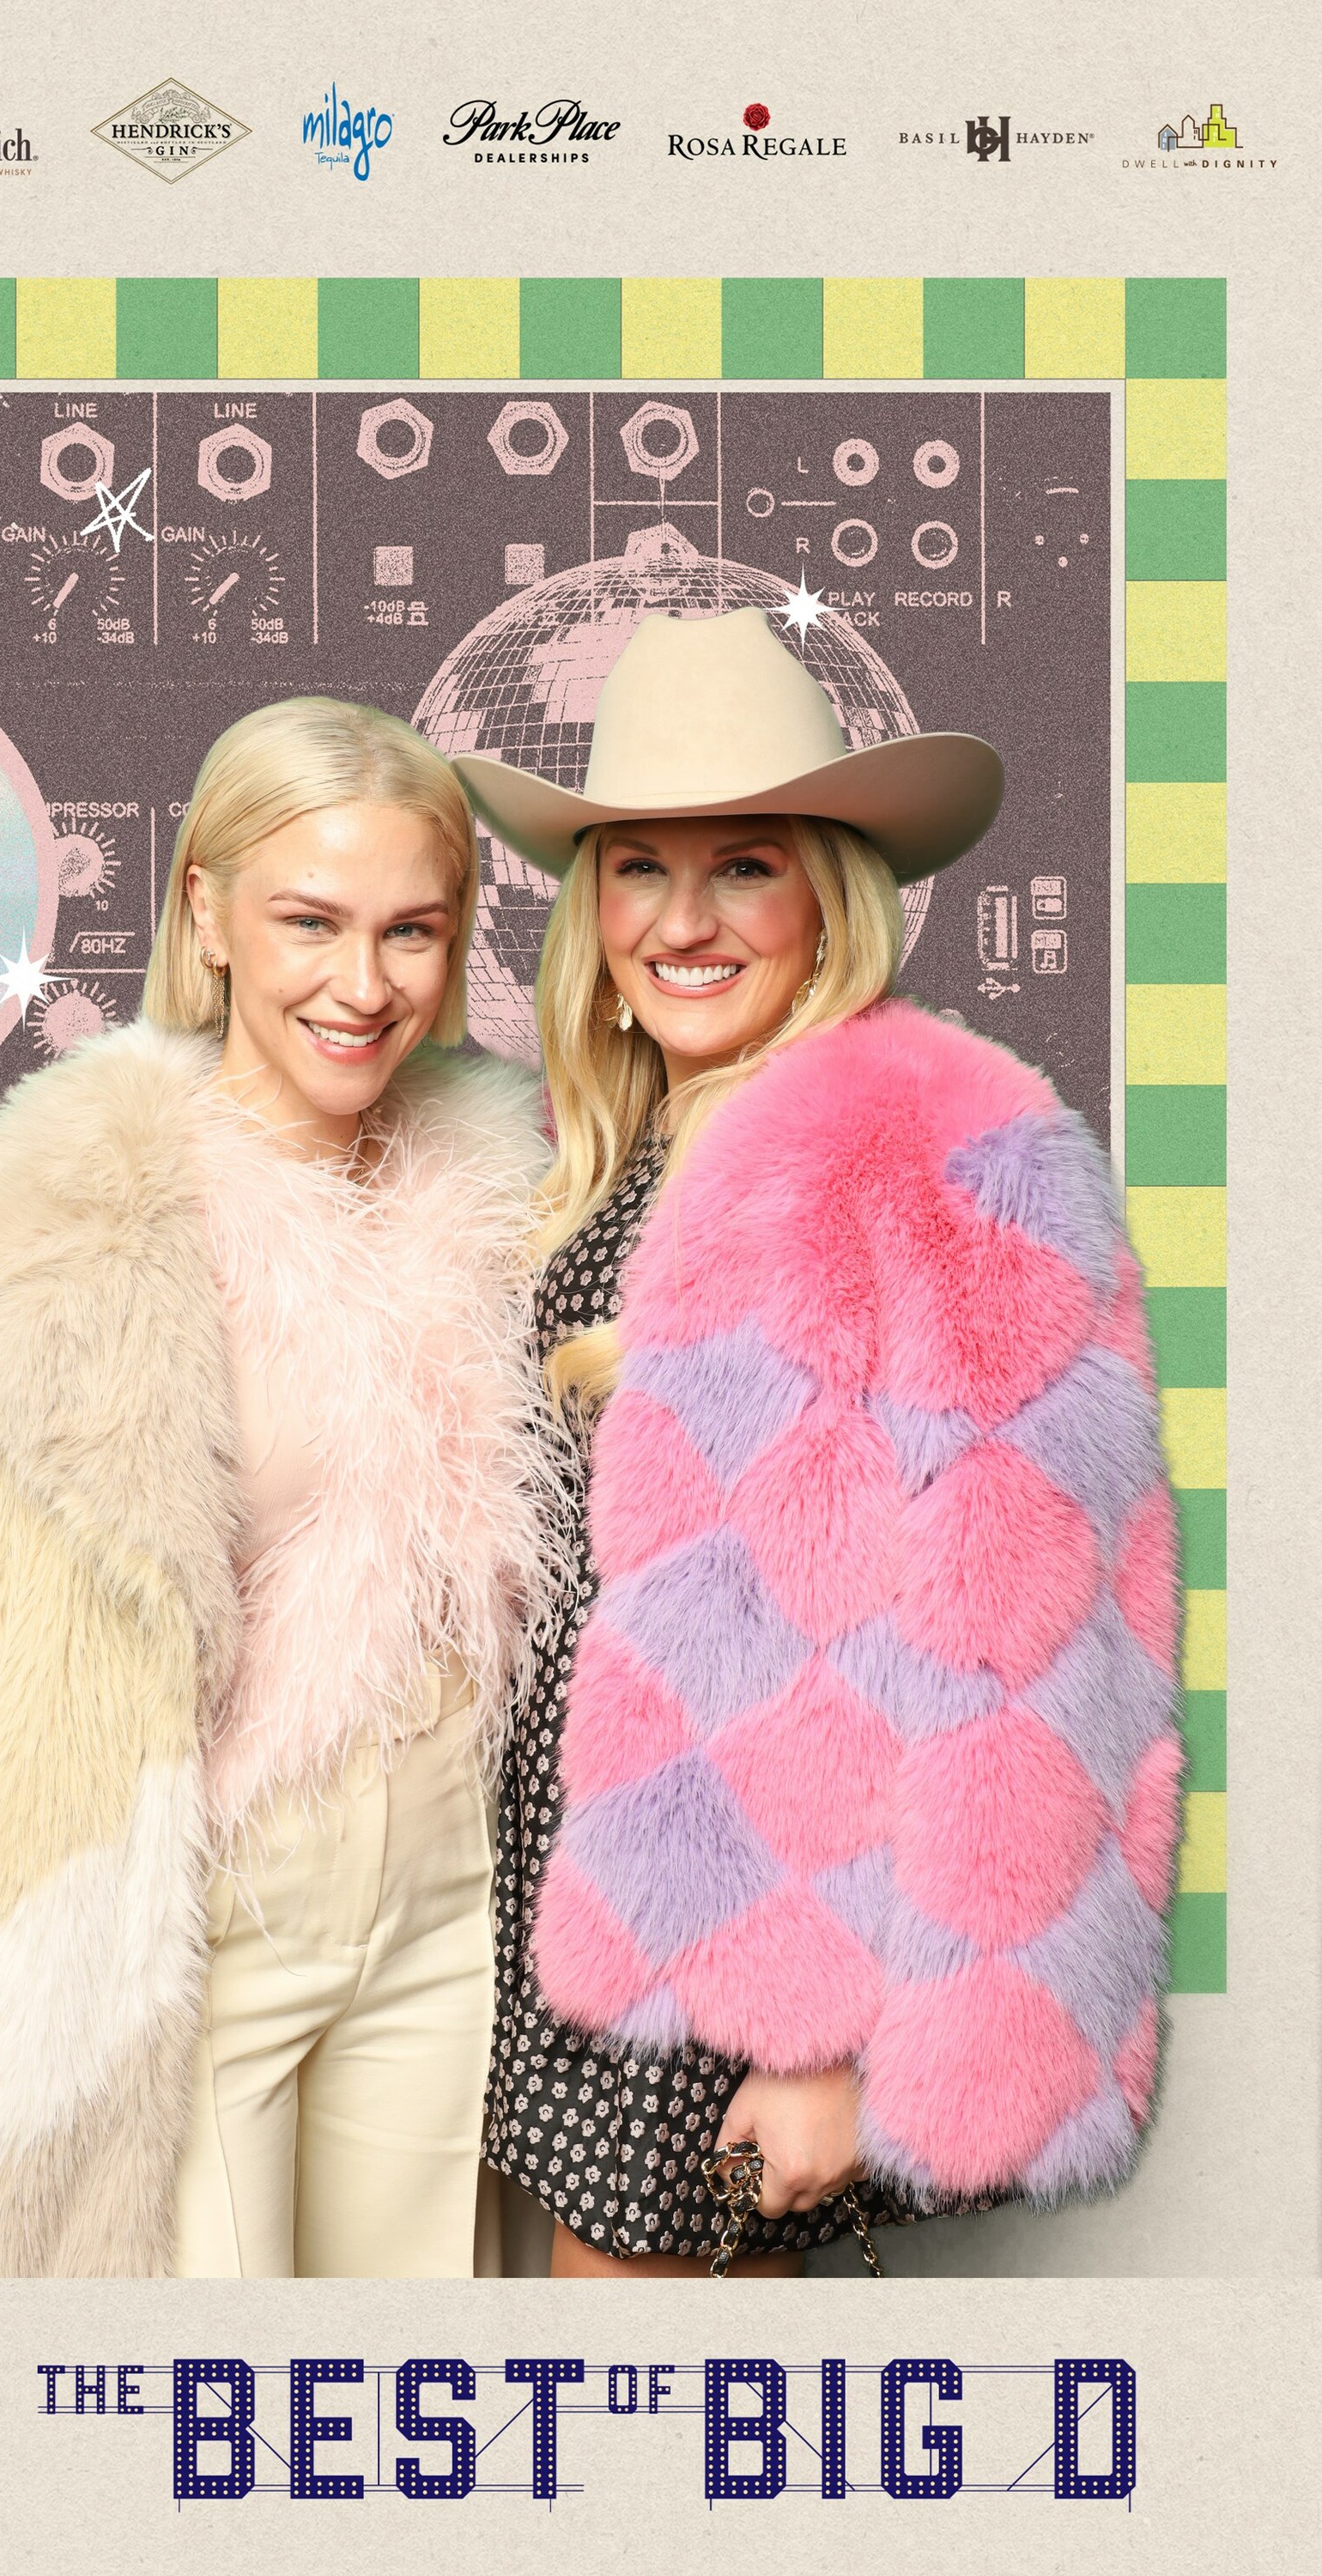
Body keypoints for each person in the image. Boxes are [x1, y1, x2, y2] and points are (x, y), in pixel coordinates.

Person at [0, 696, 550, 2279]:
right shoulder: (56, 1230)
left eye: (412, 931)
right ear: (207, 915)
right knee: (194, 2396)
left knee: (414, 2386)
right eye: (310, 921)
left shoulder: (508, 1202)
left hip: (449, 1907)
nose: (363, 984)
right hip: (182, 1917)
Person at [458, 606, 1185, 2277]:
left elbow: (1029, 1649)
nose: (682, 921)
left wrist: (822, 2044)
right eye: (638, 869)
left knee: (644, 2415)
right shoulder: (611, 1157)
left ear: (828, 898)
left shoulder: (954, 1150)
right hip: (565, 1902)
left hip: (747, 1953)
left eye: (745, 867)